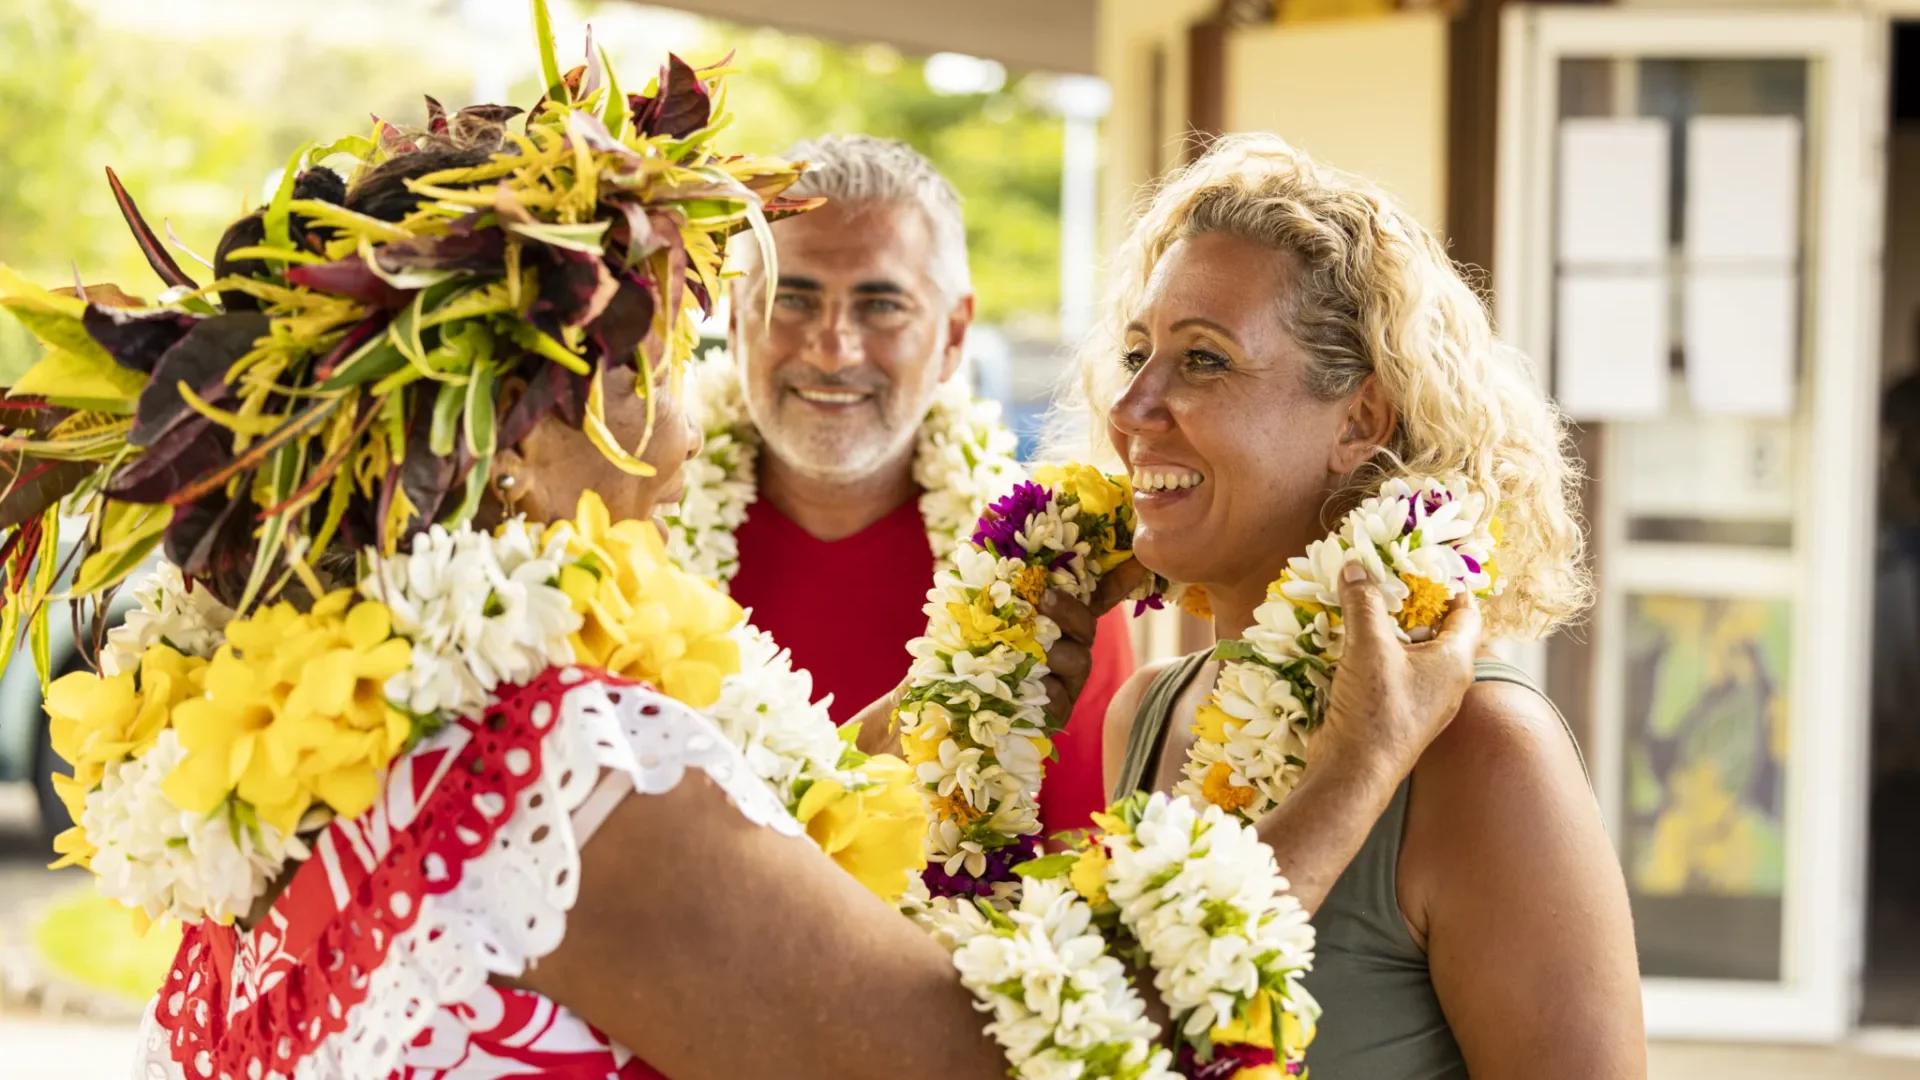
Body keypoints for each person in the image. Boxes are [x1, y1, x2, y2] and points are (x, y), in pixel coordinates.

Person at [2, 30, 1482, 1080]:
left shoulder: (328, 735)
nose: (693, 397)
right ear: (517, 437)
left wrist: (996, 651)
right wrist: (1351, 773)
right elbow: (1012, 1069)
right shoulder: (550, 765)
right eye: (661, 357)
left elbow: (782, 827)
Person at [1083, 134, 1647, 1078]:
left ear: (1358, 423)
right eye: (1138, 352)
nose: (1134, 408)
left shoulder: (1483, 751)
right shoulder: (1144, 715)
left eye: (1205, 361)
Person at [665, 134, 1133, 832]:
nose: (833, 349)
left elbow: (1080, 871)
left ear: (952, 334)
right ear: (734, 318)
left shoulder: (1051, 574)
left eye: (880, 305)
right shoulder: (632, 539)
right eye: (793, 299)